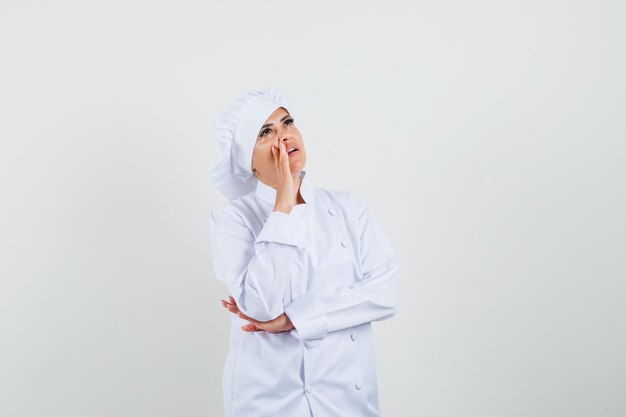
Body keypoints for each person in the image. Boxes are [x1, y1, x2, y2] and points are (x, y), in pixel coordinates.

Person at [208, 87, 399, 417]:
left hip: (346, 400)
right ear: (247, 161)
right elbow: (260, 305)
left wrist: (296, 318)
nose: (284, 137)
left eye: (287, 122)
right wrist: (283, 205)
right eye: (266, 132)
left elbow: (384, 292)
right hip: (268, 401)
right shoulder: (231, 220)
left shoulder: (347, 208)